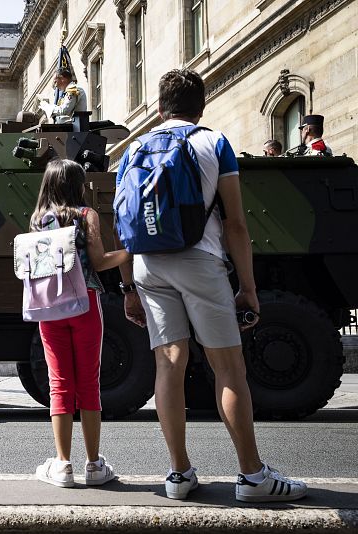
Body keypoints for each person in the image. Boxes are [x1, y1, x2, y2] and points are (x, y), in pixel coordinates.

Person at [115, 69, 308, 502]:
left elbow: (122, 226)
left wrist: (128, 288)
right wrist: (249, 287)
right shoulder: (212, 142)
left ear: (160, 107)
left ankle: (179, 474)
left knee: (169, 365)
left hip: (148, 266)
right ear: (201, 106)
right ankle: (253, 477)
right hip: (199, 261)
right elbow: (236, 224)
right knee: (228, 368)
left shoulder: (132, 150)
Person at [31, 158, 130, 488]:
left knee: (59, 382)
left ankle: (62, 466)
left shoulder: (39, 220)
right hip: (84, 302)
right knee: (88, 382)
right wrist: (131, 252)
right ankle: (93, 465)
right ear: (76, 185)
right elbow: (100, 262)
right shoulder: (87, 216)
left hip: (49, 308)